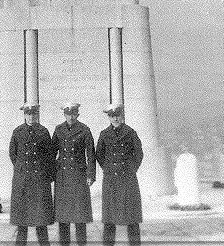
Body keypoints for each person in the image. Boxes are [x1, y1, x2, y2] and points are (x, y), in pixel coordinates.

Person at [96, 104, 143, 246]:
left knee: (132, 218)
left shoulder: (130, 132)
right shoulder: (104, 134)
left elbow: (138, 153)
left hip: (128, 180)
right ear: (109, 118)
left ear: (121, 116)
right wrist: (109, 169)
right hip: (111, 181)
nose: (115, 119)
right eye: (112, 116)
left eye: (117, 116)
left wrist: (131, 169)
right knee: (109, 220)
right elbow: (99, 154)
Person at [9, 103, 55, 246]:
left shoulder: (44, 132)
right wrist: (22, 169)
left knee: (41, 221)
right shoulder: (17, 132)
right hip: (22, 181)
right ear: (24, 115)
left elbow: (50, 155)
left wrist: (45, 174)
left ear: (37, 115)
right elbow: (13, 154)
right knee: (22, 223)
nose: (31, 117)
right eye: (28, 114)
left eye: (34, 114)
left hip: (39, 181)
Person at [52, 102, 96, 246]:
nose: (71, 117)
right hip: (63, 177)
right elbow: (51, 153)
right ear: (64, 115)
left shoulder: (84, 130)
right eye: (68, 114)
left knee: (80, 217)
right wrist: (52, 174)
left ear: (77, 114)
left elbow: (90, 154)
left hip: (79, 177)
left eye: (73, 114)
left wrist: (90, 175)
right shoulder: (58, 130)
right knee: (63, 217)